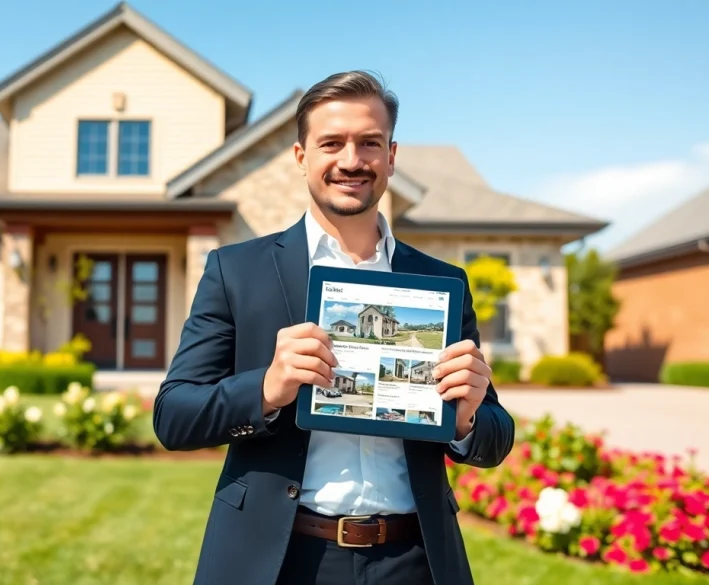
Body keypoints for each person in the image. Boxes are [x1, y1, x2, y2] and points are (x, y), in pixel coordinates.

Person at [152, 70, 516, 585]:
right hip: (279, 559)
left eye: (369, 143)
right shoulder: (236, 271)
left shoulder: (439, 282)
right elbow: (173, 416)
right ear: (302, 157)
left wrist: (468, 421)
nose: (351, 160)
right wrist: (266, 388)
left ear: (391, 156)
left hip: (413, 559)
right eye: (332, 143)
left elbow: (495, 436)